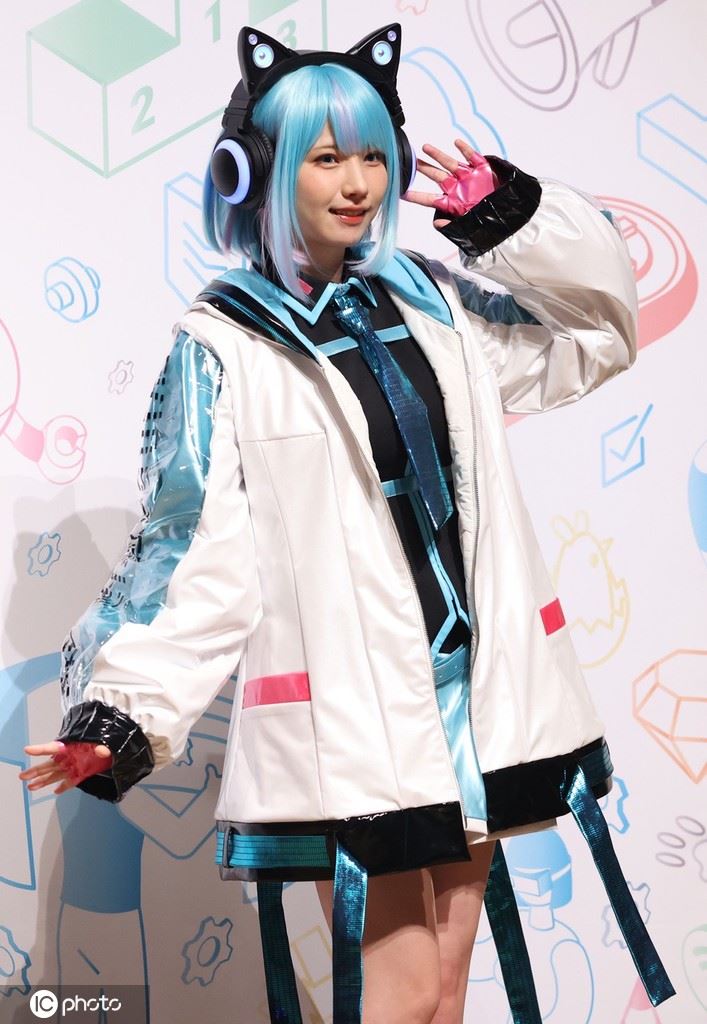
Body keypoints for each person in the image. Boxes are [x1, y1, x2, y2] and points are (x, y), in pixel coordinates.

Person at [19, 23, 673, 1024]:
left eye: (372, 154)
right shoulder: (223, 346)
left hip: (469, 700)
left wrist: (512, 221)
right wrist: (123, 714)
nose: (358, 182)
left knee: (442, 994)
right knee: (395, 1000)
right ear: (255, 169)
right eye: (326, 158)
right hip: (353, 723)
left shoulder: (431, 304)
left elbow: (596, 334)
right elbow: (193, 551)